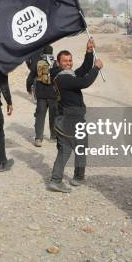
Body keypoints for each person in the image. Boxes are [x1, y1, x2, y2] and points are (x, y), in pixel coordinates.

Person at [48, 38, 103, 193]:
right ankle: (61, 180)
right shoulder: (63, 78)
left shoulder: (66, 74)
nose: (69, 63)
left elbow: (83, 69)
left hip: (71, 118)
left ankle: (72, 177)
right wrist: (96, 68)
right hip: (69, 119)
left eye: (70, 60)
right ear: (58, 63)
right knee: (71, 149)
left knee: (75, 148)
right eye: (65, 61)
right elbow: (85, 81)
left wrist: (89, 51)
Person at [26, 44, 58, 147]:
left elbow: (30, 77)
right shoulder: (56, 63)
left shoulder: (38, 63)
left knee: (40, 116)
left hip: (41, 94)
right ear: (52, 52)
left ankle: (38, 138)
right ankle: (53, 136)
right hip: (53, 94)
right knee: (53, 116)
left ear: (42, 53)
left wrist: (28, 88)